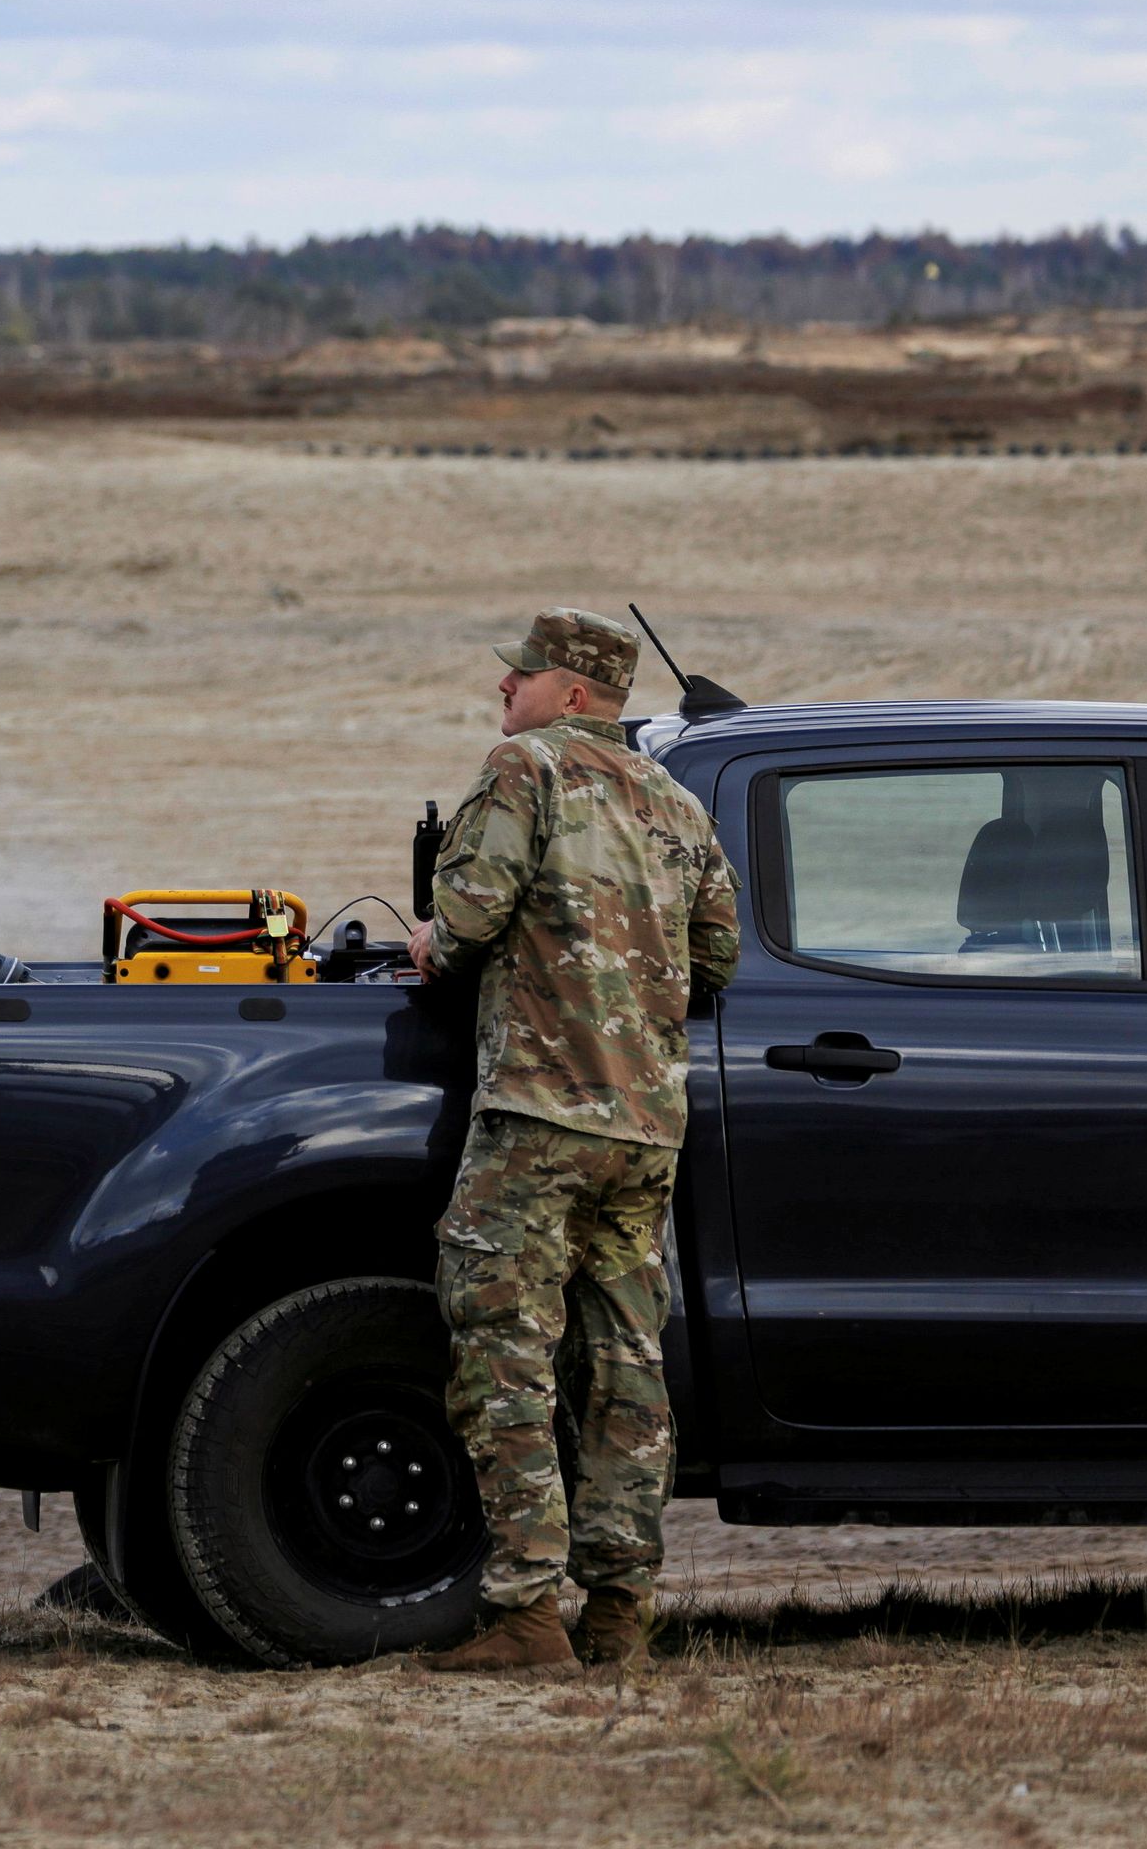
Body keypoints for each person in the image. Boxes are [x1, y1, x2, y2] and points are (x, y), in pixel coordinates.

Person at [406, 607, 739, 1674]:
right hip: (644, 1132)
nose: (506, 691)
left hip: (540, 1118)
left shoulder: (527, 773)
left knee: (504, 1355)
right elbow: (718, 962)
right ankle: (618, 1615)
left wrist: (423, 938)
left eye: (525, 676)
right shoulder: (681, 802)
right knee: (626, 1370)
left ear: (576, 694)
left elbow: (464, 924)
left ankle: (524, 1613)